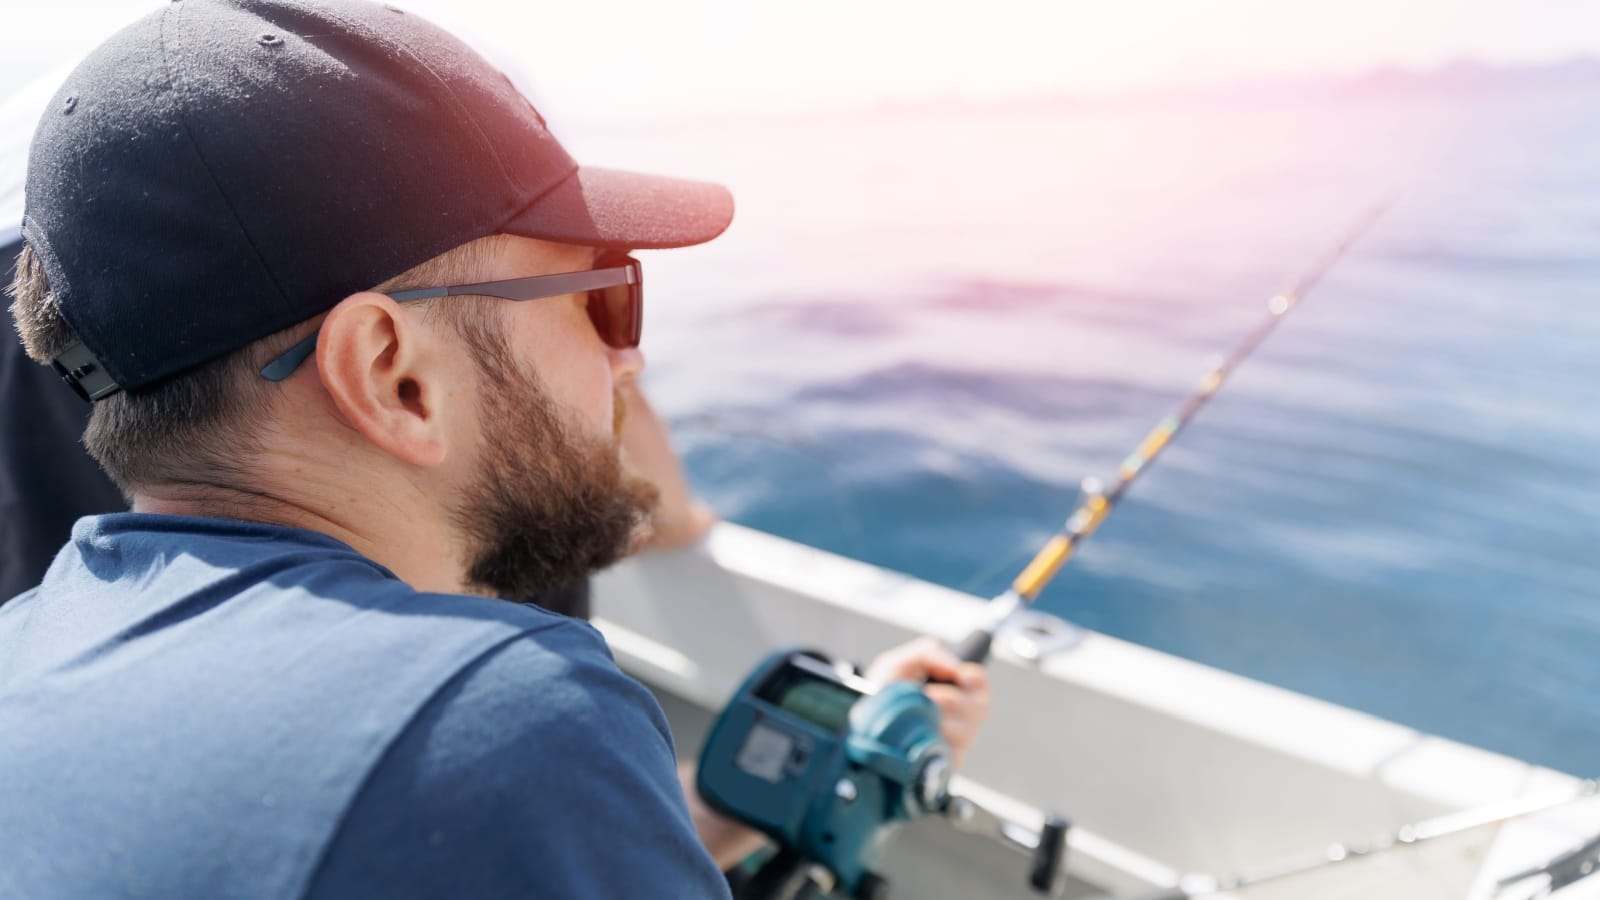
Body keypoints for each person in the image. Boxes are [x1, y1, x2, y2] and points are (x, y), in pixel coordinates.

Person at [0, 0, 990, 893]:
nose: (629, 361)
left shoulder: (23, 657)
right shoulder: (509, 725)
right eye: (602, 298)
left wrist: (712, 813)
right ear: (396, 373)